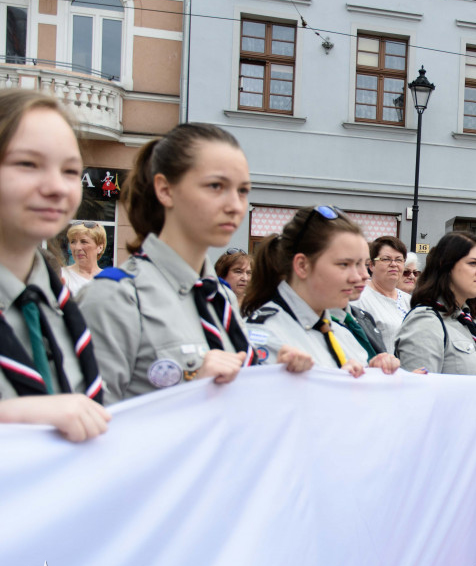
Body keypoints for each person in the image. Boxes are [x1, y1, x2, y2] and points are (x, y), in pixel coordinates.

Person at [79, 123, 310, 404]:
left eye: (242, 190)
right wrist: (192, 396)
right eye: (216, 186)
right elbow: (88, 428)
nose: (235, 206)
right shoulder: (116, 296)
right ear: (165, 190)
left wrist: (273, 376)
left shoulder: (220, 296)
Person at [0, 89, 111, 441]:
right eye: (27, 164)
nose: (56, 187)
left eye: (70, 170)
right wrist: (10, 416)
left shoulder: (59, 311)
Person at [242, 206, 400, 375]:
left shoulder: (340, 332)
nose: (360, 276)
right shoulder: (265, 335)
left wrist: (375, 376)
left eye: (361, 263)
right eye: (344, 264)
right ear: (302, 266)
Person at [394, 231, 476, 375]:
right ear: (446, 265)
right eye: (473, 263)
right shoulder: (426, 321)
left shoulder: (475, 322)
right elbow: (420, 391)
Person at [350, 235, 411, 354]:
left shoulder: (409, 300)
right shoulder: (359, 299)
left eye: (399, 260)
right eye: (386, 259)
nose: (393, 264)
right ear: (371, 265)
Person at [62, 220, 105, 295]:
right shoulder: (62, 275)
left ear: (100, 247)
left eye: (84, 242)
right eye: (73, 242)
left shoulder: (108, 280)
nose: (77, 248)